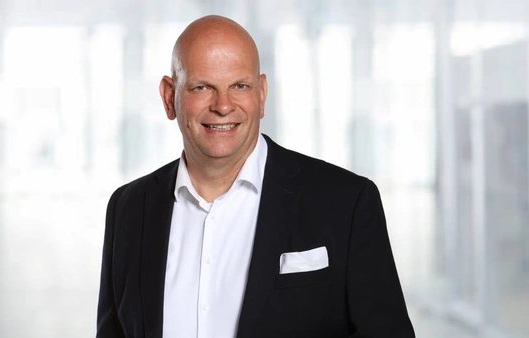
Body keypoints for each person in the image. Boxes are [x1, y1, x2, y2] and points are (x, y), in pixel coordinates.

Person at [97, 15, 415, 338]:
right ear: (169, 97)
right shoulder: (128, 209)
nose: (223, 106)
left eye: (239, 86)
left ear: (261, 94)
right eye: (202, 87)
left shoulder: (347, 204)